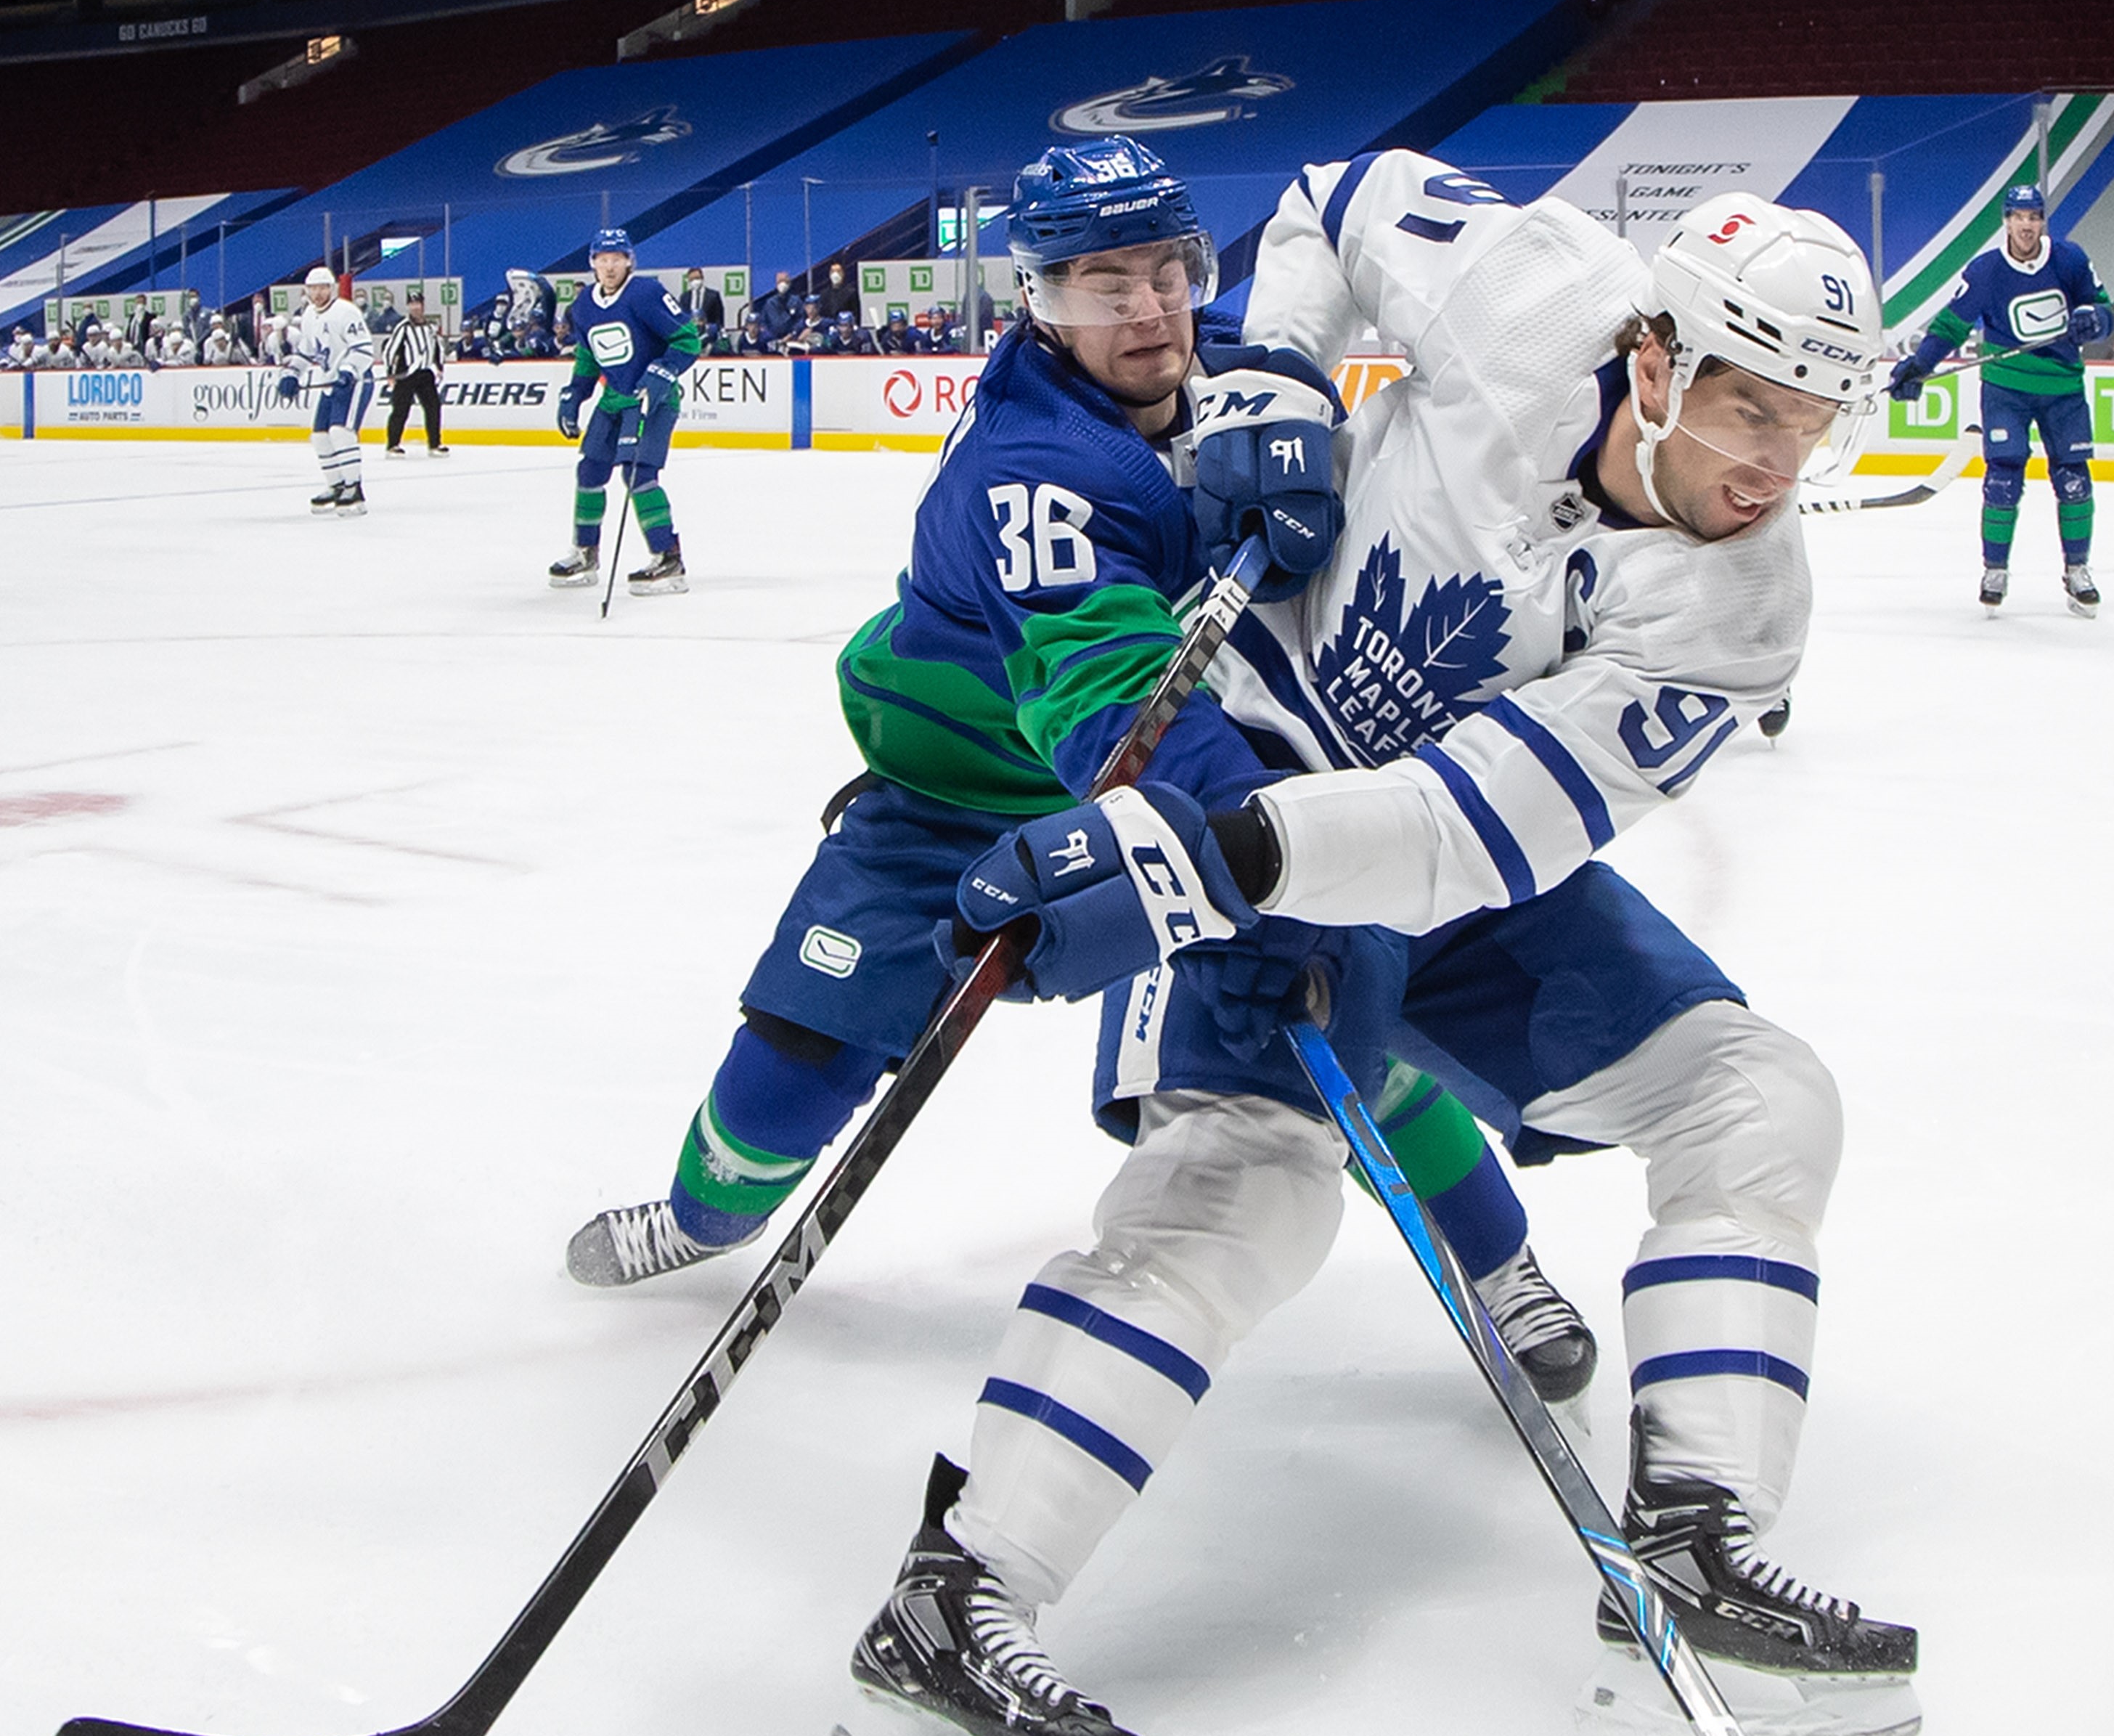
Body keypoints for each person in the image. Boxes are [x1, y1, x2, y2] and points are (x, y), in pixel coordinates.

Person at [841, 147, 1909, 1736]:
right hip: (1244, 748)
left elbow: (1468, 833)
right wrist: (1268, 367)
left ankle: (1699, 1540)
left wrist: (1209, 860)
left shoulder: (1740, 609)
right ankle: (957, 1589)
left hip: (1419, 854)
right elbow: (1335, 197)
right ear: (1654, 357)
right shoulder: (1532, 285)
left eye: (1814, 423)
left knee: (1756, 1097)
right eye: (1749, 407)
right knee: (1244, 1194)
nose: (1779, 463)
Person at [563, 140, 1601, 1403]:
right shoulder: (1036, 470)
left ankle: (1502, 1267)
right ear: (1041, 300)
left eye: (1168, 270)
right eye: (1106, 285)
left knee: (1343, 1014)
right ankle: (705, 1213)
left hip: (1203, 779)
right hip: (978, 797)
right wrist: (1277, 843)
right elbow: (1113, 715)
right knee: (804, 1035)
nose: (1151, 308)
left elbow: (1330, 344)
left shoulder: (1224, 363)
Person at [1885, 179, 2110, 611]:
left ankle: (2077, 569)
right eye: (2018, 217)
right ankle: (1995, 570)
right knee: (2003, 480)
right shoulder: (1985, 272)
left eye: (2034, 217)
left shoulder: (2070, 261)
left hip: (2063, 388)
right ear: (2006, 221)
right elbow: (1952, 326)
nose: (2026, 226)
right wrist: (1919, 366)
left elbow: (2104, 309)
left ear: (2043, 221)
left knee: (2074, 479)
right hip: (2006, 387)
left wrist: (2092, 320)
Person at [552, 229, 698, 590]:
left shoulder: (647, 293)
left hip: (654, 400)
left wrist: (663, 371)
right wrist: (575, 393)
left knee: (639, 475)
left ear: (630, 261)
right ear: (592, 264)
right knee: (589, 471)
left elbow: (687, 339)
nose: (610, 266)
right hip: (614, 399)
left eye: (617, 259)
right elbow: (588, 355)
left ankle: (668, 558)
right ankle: (586, 553)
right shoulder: (583, 305)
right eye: (602, 259)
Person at [289, 266, 375, 513]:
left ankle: (354, 489)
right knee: (320, 435)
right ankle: (337, 486)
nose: (318, 293)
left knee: (341, 432)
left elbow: (363, 348)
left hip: (355, 381)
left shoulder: (346, 312)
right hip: (330, 383)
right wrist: (292, 373)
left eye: (323, 287)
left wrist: (348, 371)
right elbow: (307, 351)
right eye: (313, 288)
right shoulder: (308, 316)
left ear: (332, 288)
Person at [383, 293, 449, 457]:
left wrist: (439, 367)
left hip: (425, 373)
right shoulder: (403, 327)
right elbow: (390, 351)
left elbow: (437, 348)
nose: (415, 307)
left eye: (418, 303)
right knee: (401, 409)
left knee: (433, 407)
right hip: (406, 374)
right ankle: (392, 445)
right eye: (412, 304)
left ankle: (435, 444)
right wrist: (390, 373)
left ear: (423, 305)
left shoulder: (431, 327)